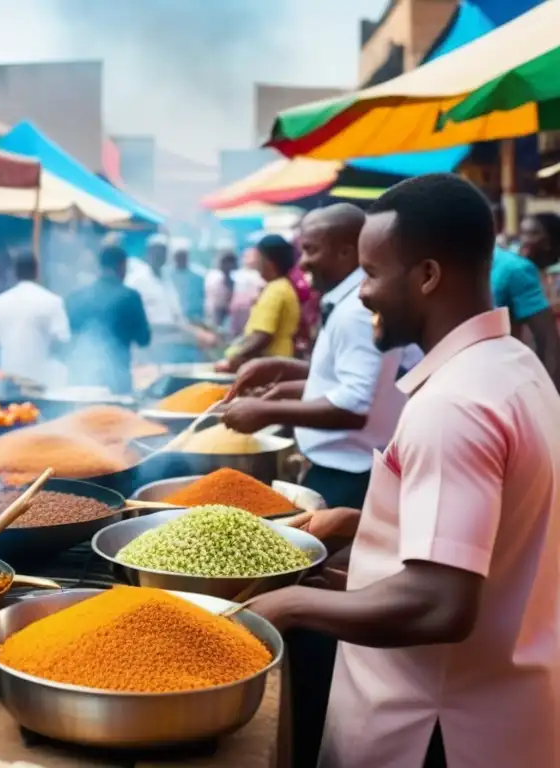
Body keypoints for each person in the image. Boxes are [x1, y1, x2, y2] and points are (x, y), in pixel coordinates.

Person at [250, 174, 560, 768]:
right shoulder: (514, 365)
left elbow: (438, 603)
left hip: (436, 731)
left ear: (427, 276)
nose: (360, 293)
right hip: (508, 712)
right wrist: (353, 523)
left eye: (370, 273)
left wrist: (288, 605)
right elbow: (493, 543)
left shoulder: (454, 405)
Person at [220, 204, 413, 768]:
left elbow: (355, 405)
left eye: (313, 249)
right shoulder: (350, 305)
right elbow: (352, 382)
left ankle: (310, 726)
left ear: (352, 249)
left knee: (338, 618)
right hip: (348, 474)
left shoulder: (357, 310)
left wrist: (261, 411)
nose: (303, 262)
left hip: (351, 474)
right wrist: (285, 375)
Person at [65, 246, 151, 394]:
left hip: (80, 379)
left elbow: (70, 338)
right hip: (117, 382)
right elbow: (144, 339)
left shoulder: (76, 296)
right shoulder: (129, 296)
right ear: (122, 266)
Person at [489, 222, 560, 387]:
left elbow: (548, 340)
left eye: (533, 233)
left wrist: (550, 399)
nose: (526, 240)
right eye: (523, 233)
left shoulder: (514, 268)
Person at [216, 235, 300, 372]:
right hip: (278, 364)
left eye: (258, 257)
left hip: (271, 368)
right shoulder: (282, 287)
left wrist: (232, 360)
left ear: (269, 262)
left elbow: (262, 336)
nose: (256, 263)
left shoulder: (276, 290)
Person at [0, 252, 70, 387]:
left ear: (14, 273)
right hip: (42, 381)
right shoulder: (52, 301)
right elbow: (62, 341)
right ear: (37, 272)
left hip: (8, 379)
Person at [168, 238, 205, 323]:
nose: (180, 258)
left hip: (194, 319)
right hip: (173, 320)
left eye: (183, 255)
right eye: (178, 255)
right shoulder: (166, 274)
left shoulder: (199, 275)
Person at [204, 249, 238, 329]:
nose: (222, 264)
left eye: (225, 262)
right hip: (213, 316)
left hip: (228, 319)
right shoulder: (212, 278)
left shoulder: (235, 282)